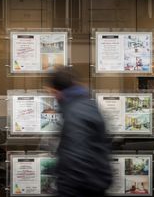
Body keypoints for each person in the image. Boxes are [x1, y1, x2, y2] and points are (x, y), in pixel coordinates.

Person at [48, 66, 113, 197]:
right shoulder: (88, 105)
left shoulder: (74, 112)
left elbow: (76, 157)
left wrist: (65, 189)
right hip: (95, 184)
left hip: (80, 188)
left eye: (51, 92)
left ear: (57, 92)